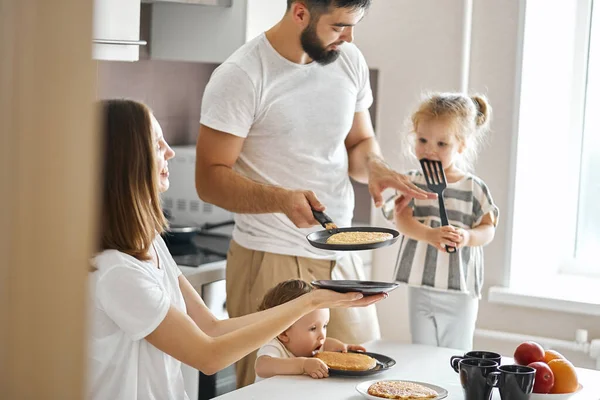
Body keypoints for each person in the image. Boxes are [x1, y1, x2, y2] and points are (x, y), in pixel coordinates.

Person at [195, 0, 436, 387]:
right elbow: (208, 179)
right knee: (274, 389)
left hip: (341, 256)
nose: (350, 36)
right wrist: (280, 200)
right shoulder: (241, 75)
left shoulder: (348, 60)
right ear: (301, 13)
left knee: (366, 380)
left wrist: (374, 168)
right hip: (272, 254)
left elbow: (360, 143)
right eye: (340, 25)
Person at [88, 99, 385, 400]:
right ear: (129, 161)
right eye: (156, 143)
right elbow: (209, 356)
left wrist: (314, 299)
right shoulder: (118, 273)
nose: (170, 151)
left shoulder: (151, 243)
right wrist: (309, 303)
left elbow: (213, 328)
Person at [390, 92, 499, 351]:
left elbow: (488, 228)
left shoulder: (473, 187)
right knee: (421, 352)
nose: (429, 149)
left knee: (455, 357)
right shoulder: (412, 182)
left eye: (442, 144)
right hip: (420, 285)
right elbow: (401, 220)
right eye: (423, 140)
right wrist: (429, 235)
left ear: (461, 145)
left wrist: (468, 237)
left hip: (459, 290)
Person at [254, 280, 370, 382]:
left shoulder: (312, 345)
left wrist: (344, 348)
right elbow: (262, 367)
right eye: (313, 328)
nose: (322, 336)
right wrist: (303, 365)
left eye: (324, 326)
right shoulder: (274, 346)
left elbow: (325, 344)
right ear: (284, 332)